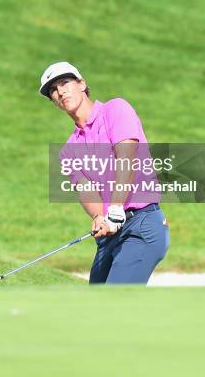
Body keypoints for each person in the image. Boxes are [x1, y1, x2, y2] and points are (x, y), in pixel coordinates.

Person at [40, 61, 169, 284]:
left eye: (64, 82)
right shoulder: (68, 151)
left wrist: (116, 206)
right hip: (111, 234)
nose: (60, 91)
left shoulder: (116, 109)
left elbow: (127, 158)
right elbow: (86, 191)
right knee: (97, 305)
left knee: (114, 302)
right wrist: (99, 216)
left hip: (141, 224)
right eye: (52, 89)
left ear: (82, 84)